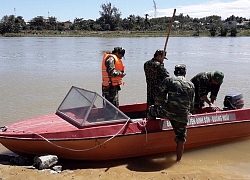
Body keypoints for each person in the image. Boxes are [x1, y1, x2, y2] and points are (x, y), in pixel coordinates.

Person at [148, 64, 195, 162]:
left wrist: (156, 106)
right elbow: (191, 104)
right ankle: (178, 161)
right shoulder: (191, 84)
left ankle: (149, 134)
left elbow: (159, 97)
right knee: (181, 138)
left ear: (174, 72)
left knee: (151, 111)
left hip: (168, 111)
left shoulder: (169, 80)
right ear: (185, 73)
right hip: (182, 114)